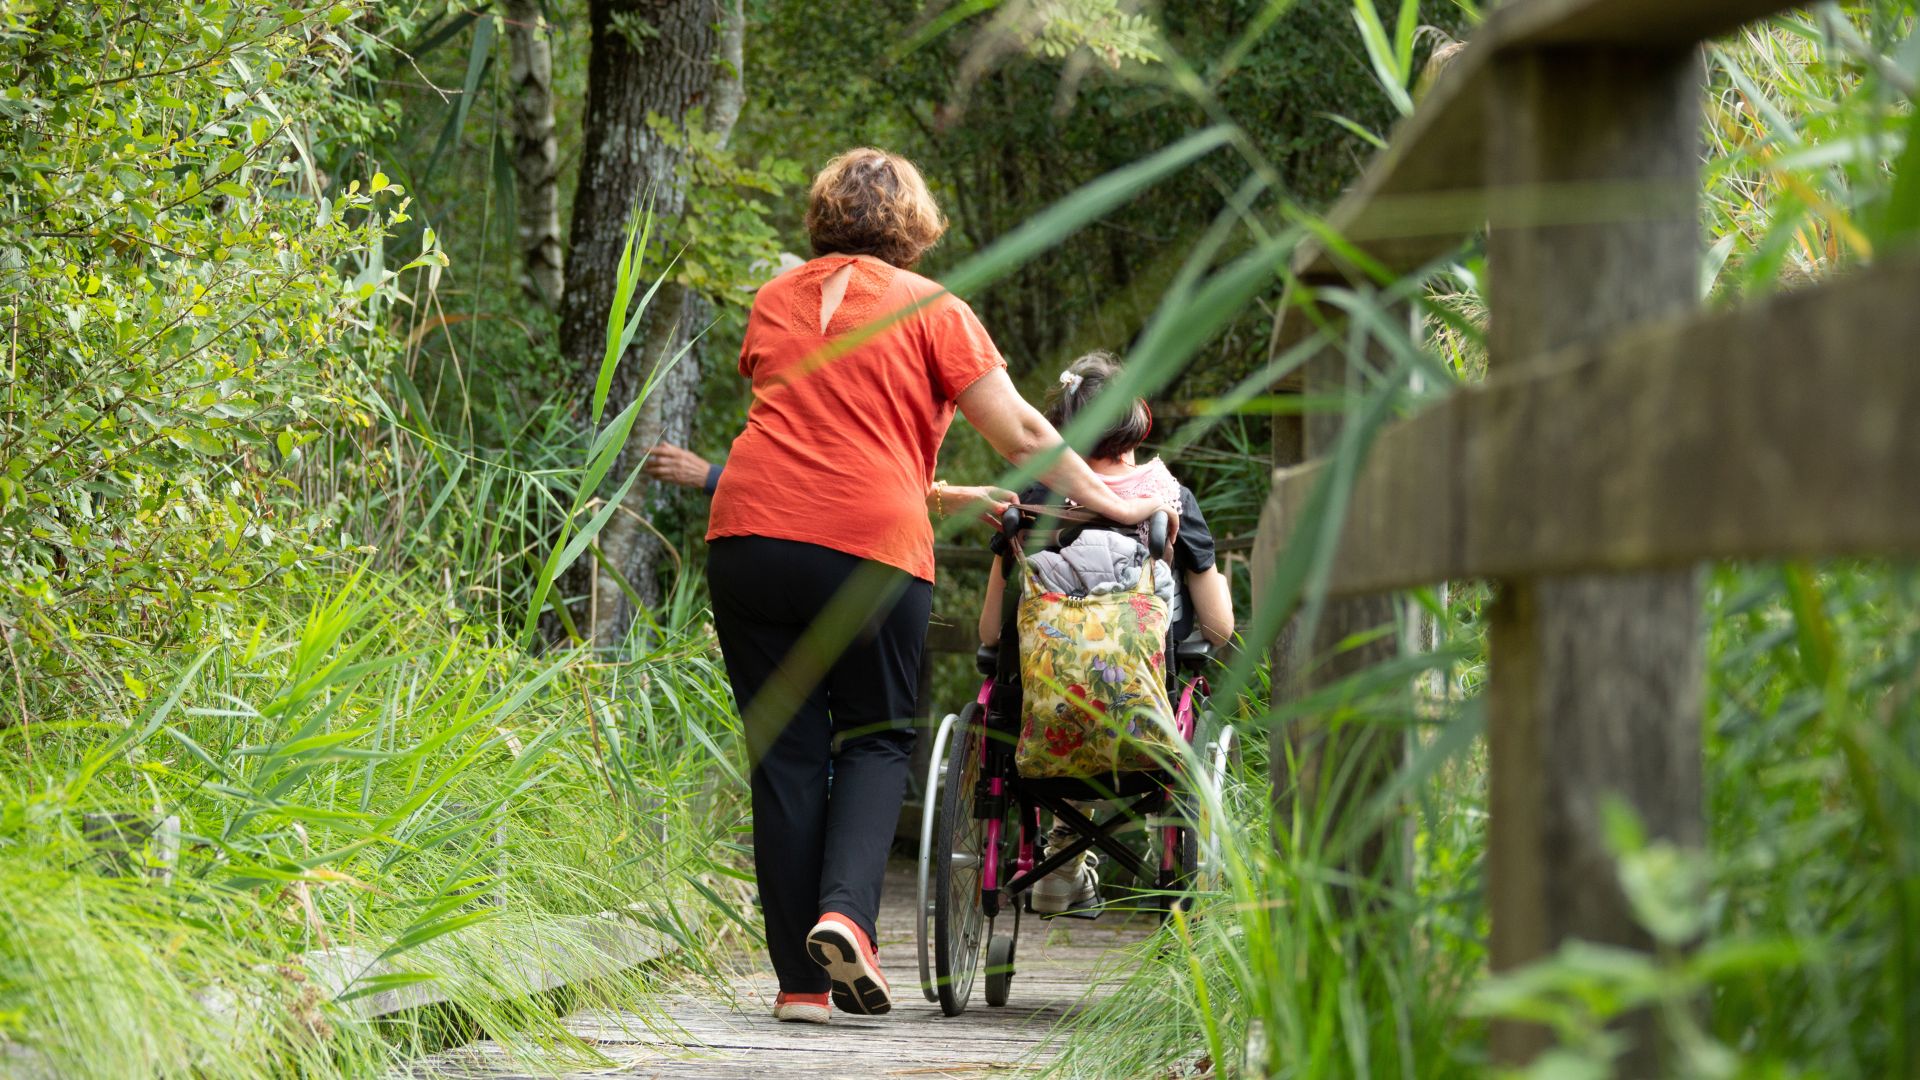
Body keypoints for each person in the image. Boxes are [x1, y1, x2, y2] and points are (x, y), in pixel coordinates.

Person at [703, 148, 1165, 1025]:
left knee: (786, 753)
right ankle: (846, 915)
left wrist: (938, 489)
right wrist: (1109, 499)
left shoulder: (775, 300)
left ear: (822, 217)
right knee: (874, 739)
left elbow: (819, 427)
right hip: (867, 549)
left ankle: (800, 988)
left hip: (750, 536)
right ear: (914, 225)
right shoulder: (935, 309)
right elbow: (1020, 427)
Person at [976, 350, 1235, 915]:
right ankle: (1153, 844)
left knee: (1061, 685)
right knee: (1131, 683)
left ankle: (1059, 862)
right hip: (1144, 704)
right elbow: (1218, 627)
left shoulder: (1032, 496)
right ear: (1138, 418)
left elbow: (991, 633)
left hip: (1042, 710)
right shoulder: (1169, 500)